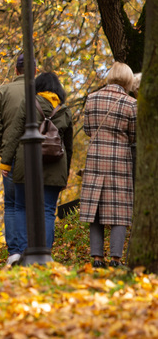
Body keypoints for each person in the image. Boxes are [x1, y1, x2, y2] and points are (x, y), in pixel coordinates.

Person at [0, 72, 73, 257]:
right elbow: (69, 147)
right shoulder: (65, 111)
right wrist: (65, 174)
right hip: (56, 166)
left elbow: (14, 133)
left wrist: (6, 163)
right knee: (48, 210)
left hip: (26, 163)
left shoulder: (29, 104)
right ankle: (44, 253)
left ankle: (25, 253)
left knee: (21, 208)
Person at [79, 62, 137, 268]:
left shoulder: (92, 99)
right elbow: (133, 135)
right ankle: (115, 259)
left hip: (95, 160)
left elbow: (87, 129)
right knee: (119, 210)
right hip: (119, 162)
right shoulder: (130, 103)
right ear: (128, 80)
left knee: (95, 210)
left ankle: (96, 258)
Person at [0, 53, 32, 266]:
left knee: (13, 204)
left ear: (16, 70)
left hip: (12, 156)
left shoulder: (3, 91)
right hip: (37, 157)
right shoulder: (40, 92)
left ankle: (15, 251)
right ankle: (32, 249)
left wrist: (3, 150)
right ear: (35, 71)